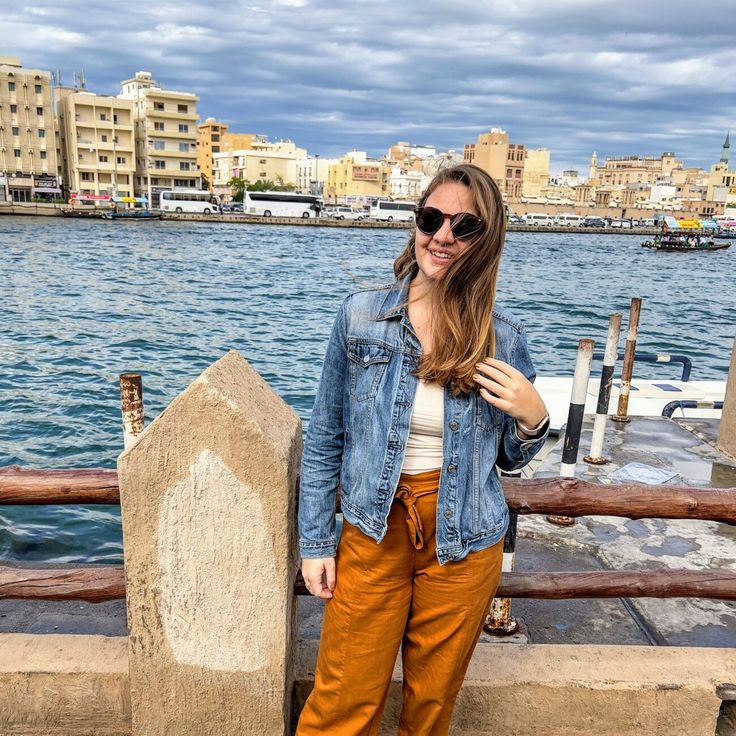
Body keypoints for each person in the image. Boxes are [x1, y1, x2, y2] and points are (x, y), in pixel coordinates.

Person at [297, 164, 549, 735]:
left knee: (431, 708)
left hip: (466, 536)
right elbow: (325, 436)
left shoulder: (502, 335)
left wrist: (533, 417)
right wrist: (315, 540)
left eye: (464, 227)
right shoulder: (362, 315)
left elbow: (508, 458)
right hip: (373, 527)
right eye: (431, 219)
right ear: (416, 223)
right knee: (341, 700)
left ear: (486, 241)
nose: (442, 237)